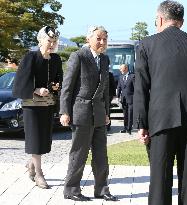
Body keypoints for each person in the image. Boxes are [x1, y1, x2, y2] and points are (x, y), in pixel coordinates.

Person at [133, 1, 187, 205]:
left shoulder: (146, 44)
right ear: (181, 21)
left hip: (160, 121)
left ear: (160, 19)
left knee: (159, 180)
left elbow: (141, 87)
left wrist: (141, 124)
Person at [60, 26, 117, 202]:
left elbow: (106, 89)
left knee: (101, 154)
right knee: (79, 153)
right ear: (88, 39)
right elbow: (67, 87)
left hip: (100, 113)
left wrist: (107, 112)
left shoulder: (105, 59)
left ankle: (102, 189)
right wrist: (64, 111)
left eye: (105, 39)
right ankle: (71, 190)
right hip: (81, 112)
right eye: (99, 38)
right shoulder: (78, 56)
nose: (102, 42)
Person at [12, 26, 63, 189]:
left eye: (54, 41)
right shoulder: (30, 57)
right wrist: (36, 89)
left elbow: (58, 79)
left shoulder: (56, 59)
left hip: (48, 104)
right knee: (35, 138)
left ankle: (31, 164)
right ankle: (39, 174)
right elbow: (21, 81)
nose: (51, 44)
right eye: (49, 40)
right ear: (40, 40)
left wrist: (56, 86)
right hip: (32, 106)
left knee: (44, 139)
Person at [117, 64, 135, 135]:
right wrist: (118, 96)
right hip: (123, 99)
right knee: (125, 114)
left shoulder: (132, 76)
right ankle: (125, 127)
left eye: (121, 68)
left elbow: (135, 88)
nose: (120, 70)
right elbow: (119, 87)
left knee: (130, 113)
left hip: (131, 99)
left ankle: (129, 129)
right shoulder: (120, 77)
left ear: (126, 68)